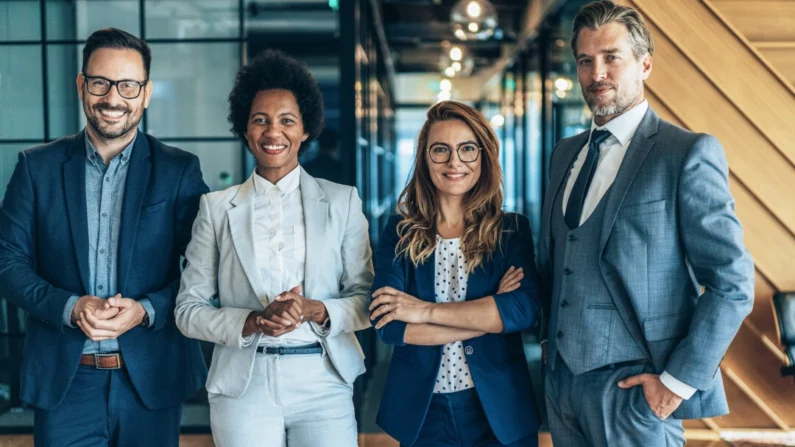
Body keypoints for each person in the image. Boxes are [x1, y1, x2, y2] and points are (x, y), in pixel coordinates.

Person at [537, 2, 754, 446]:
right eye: (585, 60)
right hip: (562, 387)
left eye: (612, 57)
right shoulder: (565, 155)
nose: (597, 72)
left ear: (645, 63)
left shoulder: (685, 153)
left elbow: (732, 282)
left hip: (637, 392)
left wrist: (675, 384)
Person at [0, 28, 209, 446]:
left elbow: (207, 267)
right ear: (81, 85)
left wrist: (147, 310)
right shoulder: (36, 168)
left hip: (149, 380)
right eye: (100, 82)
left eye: (128, 85)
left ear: (146, 93)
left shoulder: (178, 170)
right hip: (65, 383)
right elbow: (7, 264)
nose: (113, 98)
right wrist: (69, 306)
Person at [174, 49, 373, 447]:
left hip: (324, 380)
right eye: (259, 120)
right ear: (245, 130)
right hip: (243, 386)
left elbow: (366, 300)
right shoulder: (215, 208)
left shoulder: (343, 201)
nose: (272, 132)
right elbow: (187, 312)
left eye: (287, 121)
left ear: (305, 130)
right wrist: (253, 321)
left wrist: (313, 309)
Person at [370, 101, 541, 447]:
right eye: (440, 150)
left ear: (483, 156)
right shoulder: (399, 232)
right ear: (424, 158)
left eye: (467, 149)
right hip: (423, 413)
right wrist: (490, 313)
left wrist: (423, 311)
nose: (454, 162)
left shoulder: (510, 230)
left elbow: (523, 310)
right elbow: (389, 326)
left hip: (500, 410)